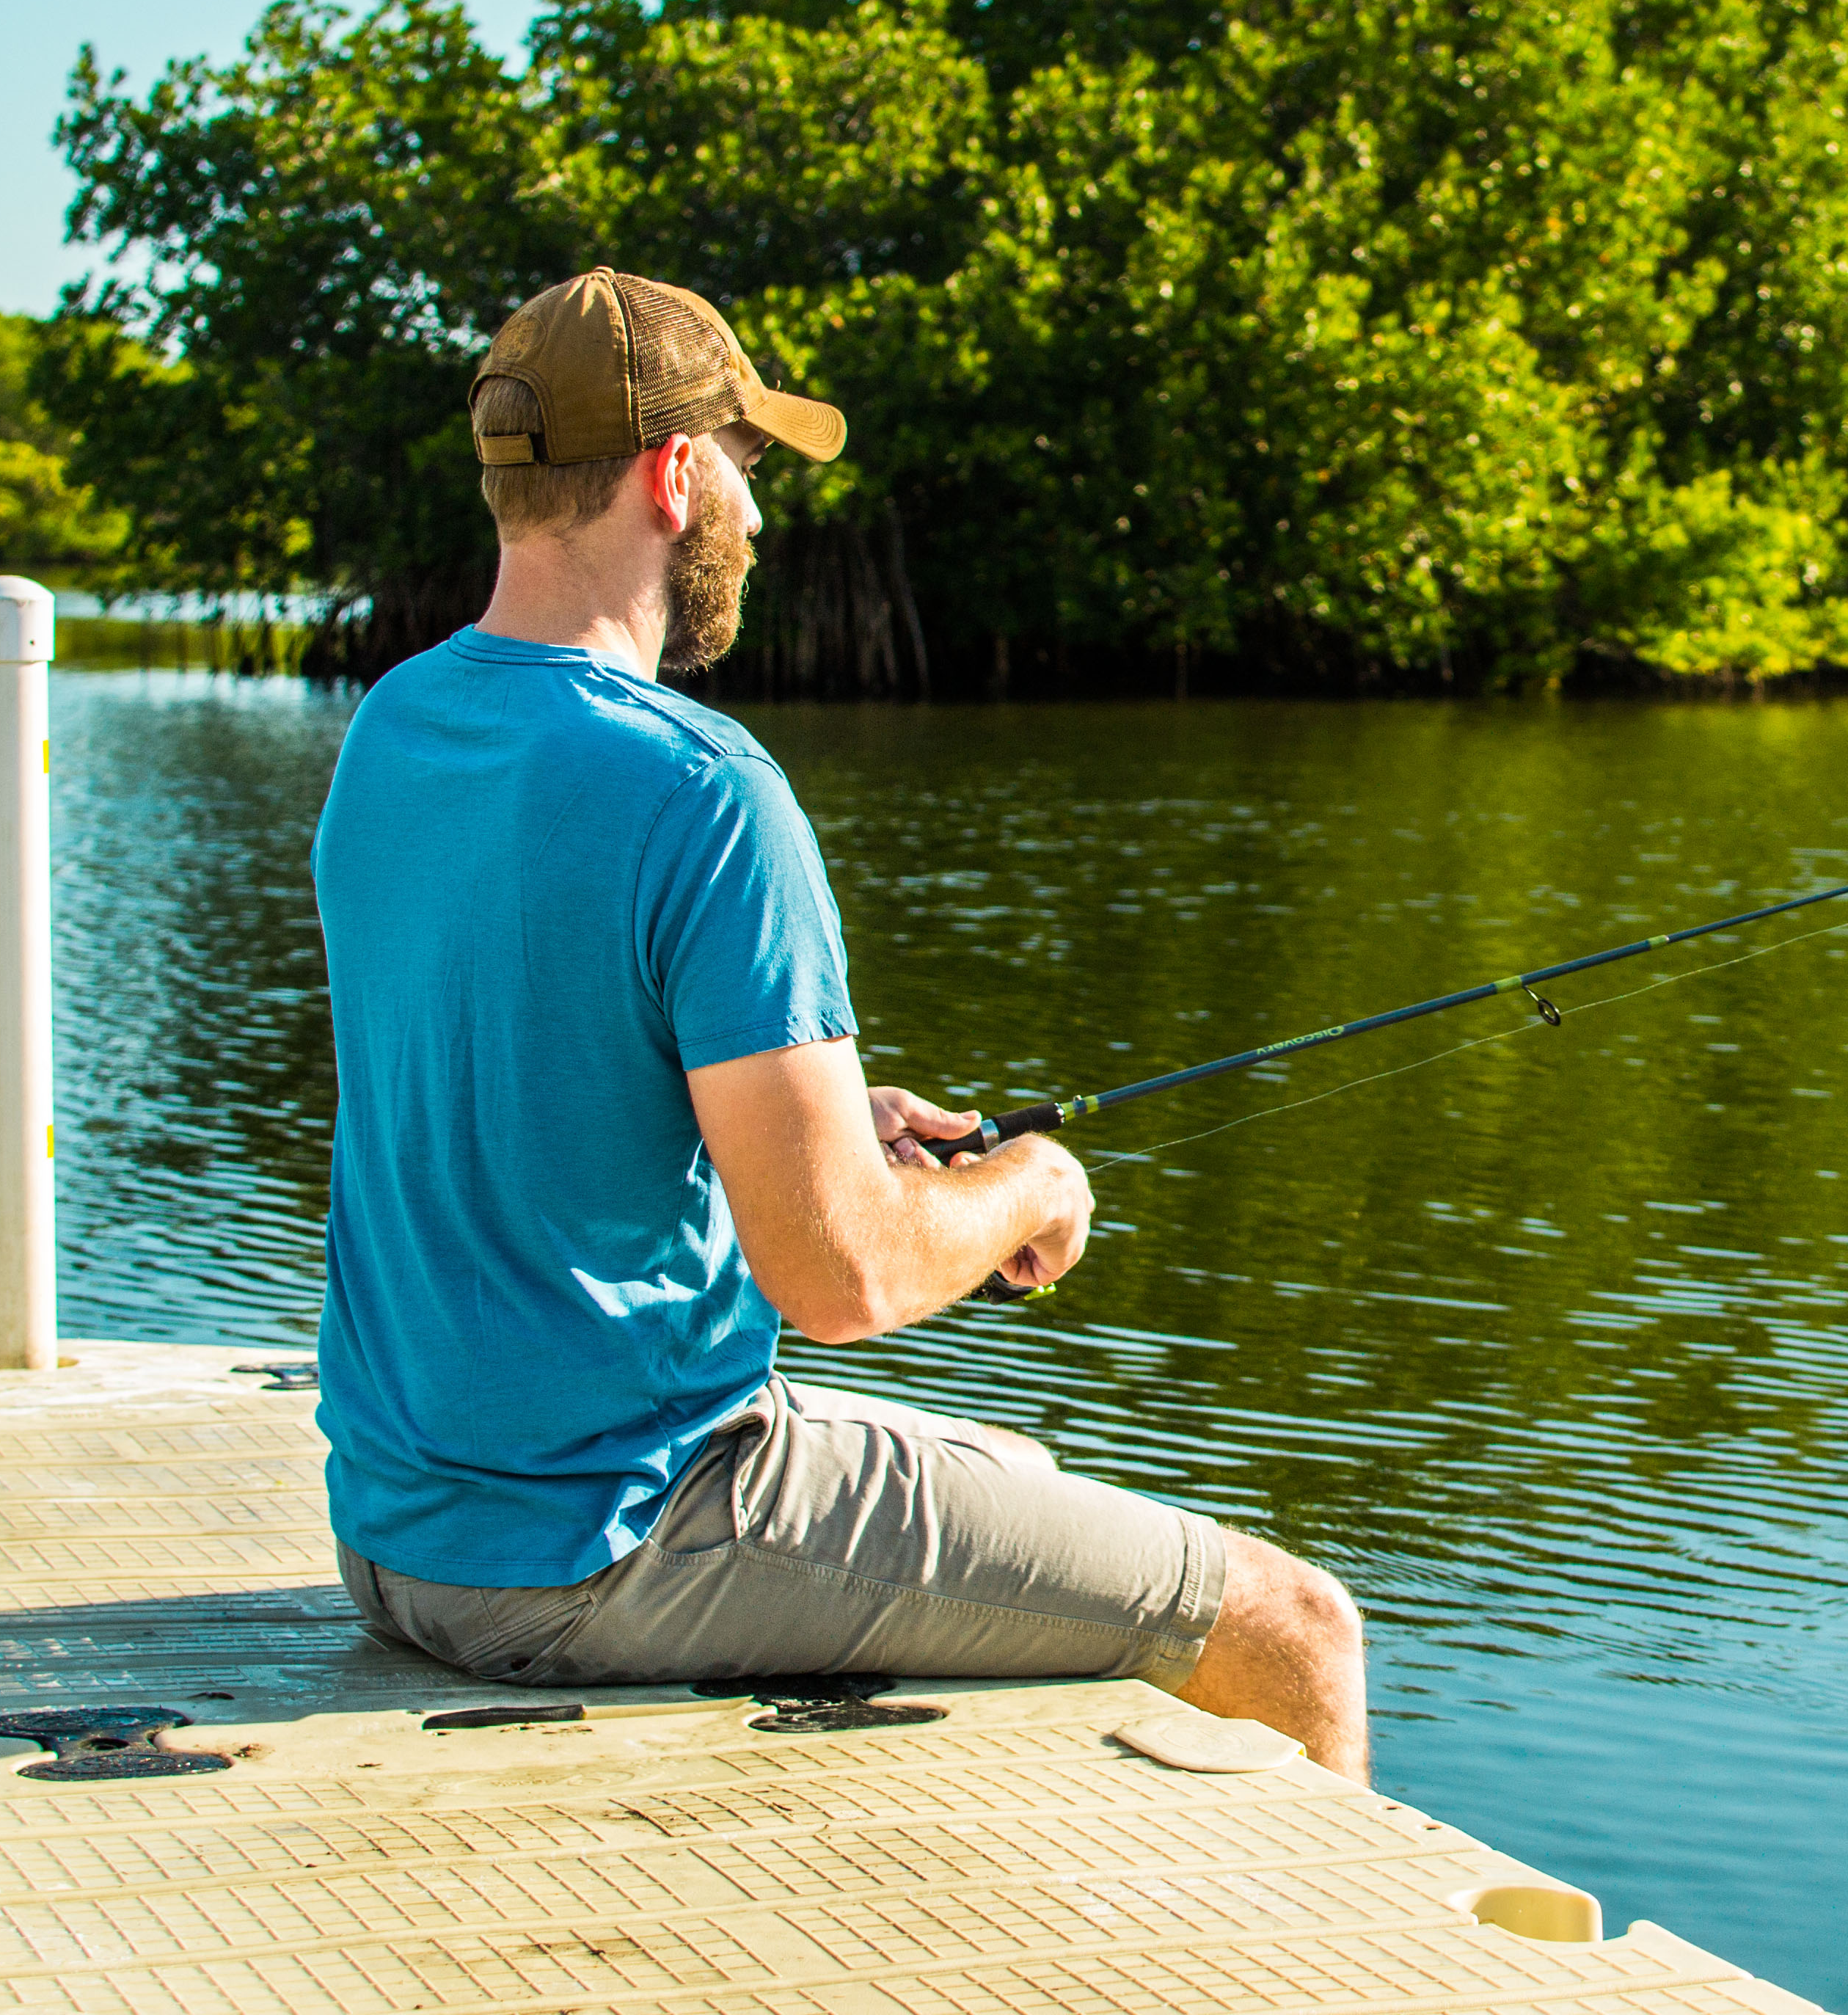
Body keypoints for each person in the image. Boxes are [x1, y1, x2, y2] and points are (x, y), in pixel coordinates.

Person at [310, 267, 1367, 1778]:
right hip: (605, 1542)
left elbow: (510, 1076)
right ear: (676, 478)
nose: (762, 509)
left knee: (1012, 1468)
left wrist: (810, 1120)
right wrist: (1029, 1185)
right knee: (1292, 1622)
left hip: (399, 1537)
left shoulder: (395, 732)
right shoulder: (702, 789)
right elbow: (841, 1278)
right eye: (747, 467)